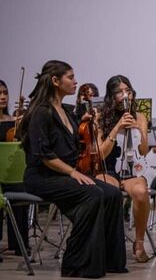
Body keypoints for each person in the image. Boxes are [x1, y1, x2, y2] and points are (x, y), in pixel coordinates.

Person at [20, 60, 127, 277]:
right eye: (70, 77)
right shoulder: (41, 112)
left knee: (113, 193)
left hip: (62, 174)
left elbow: (74, 143)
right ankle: (77, 264)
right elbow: (44, 155)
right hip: (42, 176)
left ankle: (110, 261)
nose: (75, 81)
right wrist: (72, 172)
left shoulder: (67, 111)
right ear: (55, 81)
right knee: (93, 193)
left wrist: (87, 123)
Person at [96, 75, 151, 263]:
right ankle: (110, 243)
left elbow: (143, 151)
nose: (125, 95)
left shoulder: (140, 116)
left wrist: (140, 130)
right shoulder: (100, 117)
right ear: (111, 96)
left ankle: (139, 242)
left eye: (128, 90)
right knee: (110, 193)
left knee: (141, 192)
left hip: (131, 170)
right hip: (108, 169)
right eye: (119, 92)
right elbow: (100, 154)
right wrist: (117, 128)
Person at [0, 79, 30, 259]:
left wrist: (22, 121)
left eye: (5, 93)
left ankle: (19, 243)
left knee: (20, 189)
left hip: (11, 173)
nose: (3, 97)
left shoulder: (14, 121)